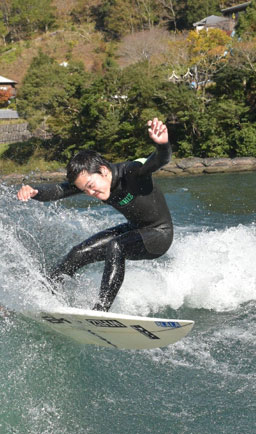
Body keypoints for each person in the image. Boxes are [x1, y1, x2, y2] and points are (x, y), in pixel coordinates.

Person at [17, 118, 173, 312]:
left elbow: (159, 160)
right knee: (78, 253)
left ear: (104, 171)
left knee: (116, 246)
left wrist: (163, 144)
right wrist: (35, 192)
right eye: (85, 190)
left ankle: (101, 310)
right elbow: (58, 190)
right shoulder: (93, 182)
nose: (90, 193)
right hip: (136, 230)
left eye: (91, 186)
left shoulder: (132, 172)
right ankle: (44, 298)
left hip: (159, 235)